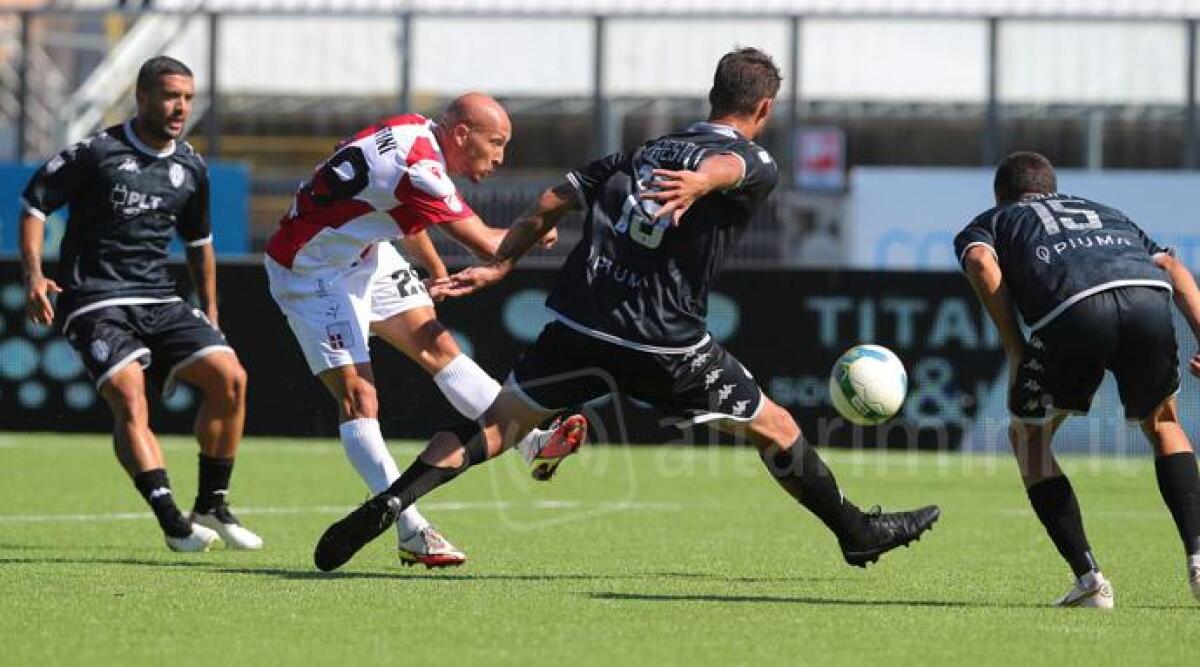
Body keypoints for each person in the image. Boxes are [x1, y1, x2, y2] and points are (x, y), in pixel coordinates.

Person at [312, 47, 940, 573]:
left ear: (710, 95)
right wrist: (702, 182)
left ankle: (394, 502)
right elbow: (734, 163)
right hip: (664, 343)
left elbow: (555, 199)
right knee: (775, 427)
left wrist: (504, 261)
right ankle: (856, 532)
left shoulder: (643, 152)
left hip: (581, 323)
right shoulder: (756, 162)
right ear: (764, 109)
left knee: (497, 428)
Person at [264, 93, 586, 568]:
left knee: (439, 347)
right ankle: (411, 529)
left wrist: (434, 270)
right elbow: (487, 247)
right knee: (359, 396)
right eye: (495, 143)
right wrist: (538, 227)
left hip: (364, 254)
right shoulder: (421, 168)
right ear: (461, 134)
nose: (499, 158)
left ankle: (530, 441)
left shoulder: (413, 128)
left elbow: (397, 211)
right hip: (311, 271)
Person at [19, 56, 260, 552]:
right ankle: (171, 519)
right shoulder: (96, 152)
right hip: (94, 299)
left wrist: (210, 310)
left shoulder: (191, 166)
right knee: (131, 398)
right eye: (171, 96)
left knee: (231, 378)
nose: (181, 107)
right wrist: (35, 275)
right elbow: (35, 203)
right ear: (144, 96)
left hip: (159, 297)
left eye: (188, 98)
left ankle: (212, 502)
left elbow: (200, 243)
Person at [954, 152, 1200, 608]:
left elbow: (983, 266)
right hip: (1148, 299)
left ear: (1000, 194)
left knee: (1028, 437)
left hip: (1073, 313)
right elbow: (1172, 268)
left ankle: (1090, 580)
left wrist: (1015, 346)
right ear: (1054, 186)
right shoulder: (1105, 211)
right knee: (1164, 423)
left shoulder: (993, 220)